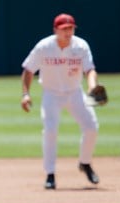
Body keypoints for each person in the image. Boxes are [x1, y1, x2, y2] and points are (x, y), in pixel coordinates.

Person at [20, 13, 101, 190]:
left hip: (75, 92)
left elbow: (90, 70)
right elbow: (28, 70)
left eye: (71, 28)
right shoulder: (44, 47)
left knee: (92, 127)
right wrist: (25, 94)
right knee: (50, 131)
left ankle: (85, 163)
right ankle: (50, 174)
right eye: (64, 28)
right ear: (55, 30)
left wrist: (92, 86)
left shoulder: (81, 46)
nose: (68, 32)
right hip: (51, 94)